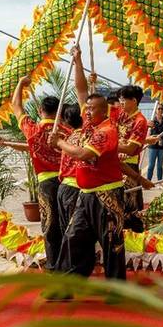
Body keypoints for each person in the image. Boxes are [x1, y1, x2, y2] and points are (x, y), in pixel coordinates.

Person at [50, 91, 126, 280]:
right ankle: (64, 285)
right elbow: (81, 89)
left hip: (106, 195)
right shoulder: (88, 127)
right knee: (72, 238)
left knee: (111, 243)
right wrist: (77, 62)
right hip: (85, 194)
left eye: (92, 109)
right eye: (87, 109)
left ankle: (117, 289)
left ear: (103, 111)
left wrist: (59, 142)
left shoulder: (105, 131)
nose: (87, 112)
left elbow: (83, 154)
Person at [10, 75, 67, 272]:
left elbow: (16, 106)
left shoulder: (33, 130)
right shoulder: (68, 131)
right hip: (69, 184)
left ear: (41, 111)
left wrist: (20, 84)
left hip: (47, 185)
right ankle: (69, 266)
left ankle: (54, 268)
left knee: (50, 228)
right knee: (68, 225)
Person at [55, 103, 83, 272]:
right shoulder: (83, 138)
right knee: (73, 235)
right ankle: (68, 271)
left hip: (64, 188)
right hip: (74, 189)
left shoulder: (68, 138)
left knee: (68, 231)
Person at [116, 85, 148, 232]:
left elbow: (130, 148)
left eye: (123, 100)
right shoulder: (121, 114)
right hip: (116, 163)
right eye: (119, 100)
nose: (120, 103)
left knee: (128, 202)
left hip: (128, 165)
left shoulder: (140, 121)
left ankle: (130, 234)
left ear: (134, 100)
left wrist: (109, 145)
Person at [146, 105, 163, 181]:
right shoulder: (152, 122)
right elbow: (148, 134)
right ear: (156, 110)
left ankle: (159, 182)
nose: (160, 110)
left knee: (160, 165)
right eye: (159, 108)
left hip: (162, 147)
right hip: (152, 146)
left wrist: (161, 140)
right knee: (151, 165)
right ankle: (148, 181)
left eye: (162, 109)